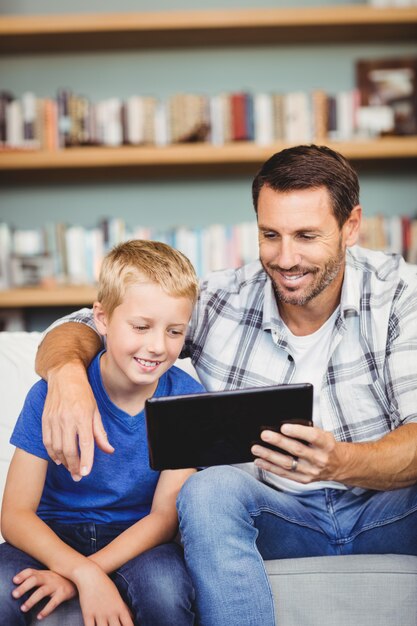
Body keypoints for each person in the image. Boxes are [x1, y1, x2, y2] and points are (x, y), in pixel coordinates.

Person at [35, 144, 417, 626]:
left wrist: (341, 462)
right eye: (270, 235)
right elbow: (83, 327)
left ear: (351, 226)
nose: (286, 257)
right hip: (276, 516)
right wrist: (67, 374)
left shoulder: (402, 296)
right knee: (209, 487)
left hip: (388, 512)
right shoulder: (223, 299)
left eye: (306, 236)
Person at [0, 239, 204, 625]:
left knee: (167, 592)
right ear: (103, 318)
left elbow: (163, 517)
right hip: (52, 534)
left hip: (138, 539)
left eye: (175, 331)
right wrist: (83, 573)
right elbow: (15, 514)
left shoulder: (187, 401)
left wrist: (86, 570)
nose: (157, 346)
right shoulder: (51, 395)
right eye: (141, 327)